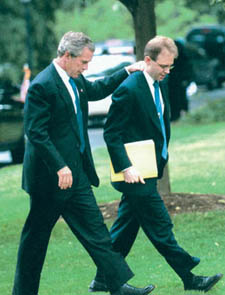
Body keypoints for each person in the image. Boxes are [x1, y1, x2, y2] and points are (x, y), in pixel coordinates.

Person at [12, 31, 155, 295]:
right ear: (67, 56)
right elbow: (36, 133)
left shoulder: (75, 79)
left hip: (76, 175)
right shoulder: (42, 85)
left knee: (97, 231)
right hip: (48, 180)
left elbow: (97, 89)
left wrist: (126, 71)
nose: (86, 67)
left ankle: (117, 285)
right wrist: (59, 166)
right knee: (35, 240)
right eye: (84, 62)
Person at [89, 35, 223, 293]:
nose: (167, 71)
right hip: (134, 172)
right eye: (163, 66)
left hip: (151, 167)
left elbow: (161, 120)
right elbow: (111, 134)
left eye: (170, 66)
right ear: (147, 60)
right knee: (160, 227)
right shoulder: (128, 89)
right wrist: (126, 167)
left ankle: (103, 279)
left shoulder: (161, 82)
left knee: (125, 230)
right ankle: (191, 277)